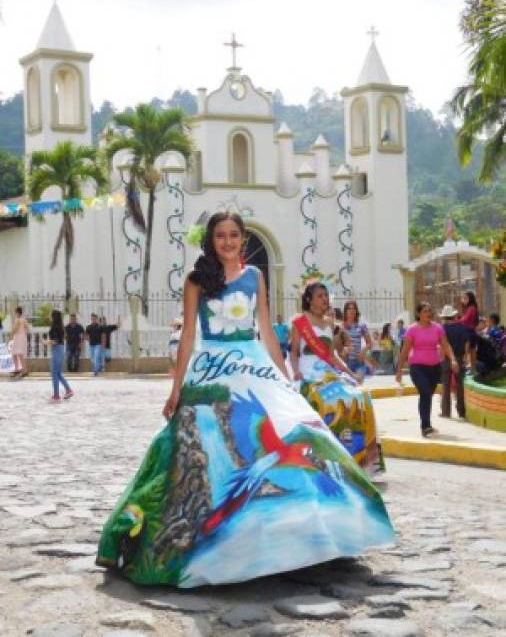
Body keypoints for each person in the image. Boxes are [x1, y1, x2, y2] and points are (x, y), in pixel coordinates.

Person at [96, 211, 394, 587]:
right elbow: (188, 335)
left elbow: (266, 330)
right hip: (211, 365)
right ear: (211, 239)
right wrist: (176, 387)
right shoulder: (196, 280)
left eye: (234, 235)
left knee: (294, 434)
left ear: (243, 239)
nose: (227, 241)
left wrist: (285, 380)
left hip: (253, 365)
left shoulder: (255, 277)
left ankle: (302, 535)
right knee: (203, 445)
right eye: (220, 235)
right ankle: (207, 540)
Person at [290, 282, 384, 474]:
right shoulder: (299, 322)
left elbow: (332, 355)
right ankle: (324, 458)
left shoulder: (329, 323)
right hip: (308, 373)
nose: (325, 299)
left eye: (326, 295)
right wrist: (295, 371)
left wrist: (350, 374)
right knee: (327, 401)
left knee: (360, 396)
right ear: (309, 299)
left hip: (327, 372)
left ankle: (357, 459)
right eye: (320, 296)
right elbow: (293, 353)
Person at [396, 302, 458, 437]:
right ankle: (425, 426)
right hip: (417, 367)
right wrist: (399, 369)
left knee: (427, 395)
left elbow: (446, 345)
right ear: (419, 314)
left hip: (434, 368)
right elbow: (405, 350)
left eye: (430, 311)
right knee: (424, 392)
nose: (428, 313)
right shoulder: (412, 330)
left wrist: (452, 359)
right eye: (425, 311)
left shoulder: (438, 328)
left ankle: (426, 423)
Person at [438, 305, 469, 419]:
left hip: (446, 359)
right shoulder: (461, 327)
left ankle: (446, 412)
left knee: (446, 385)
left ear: (445, 317)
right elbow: (467, 343)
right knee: (460, 385)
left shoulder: (442, 328)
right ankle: (461, 411)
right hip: (460, 358)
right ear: (453, 316)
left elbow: (442, 345)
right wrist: (465, 355)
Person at [45, 310, 73, 403]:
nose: (49, 316)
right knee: (58, 373)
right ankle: (68, 390)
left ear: (53, 317)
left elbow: (55, 341)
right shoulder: (61, 327)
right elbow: (62, 338)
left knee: (54, 374)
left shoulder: (54, 328)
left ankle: (57, 395)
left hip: (56, 351)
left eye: (50, 315)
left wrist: (46, 342)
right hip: (61, 350)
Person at [342, 300, 375, 377]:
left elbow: (370, 343)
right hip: (345, 361)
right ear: (345, 311)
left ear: (356, 311)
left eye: (354, 309)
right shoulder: (341, 326)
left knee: (359, 385)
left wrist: (363, 350)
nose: (352, 311)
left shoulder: (361, 326)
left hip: (358, 361)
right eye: (349, 309)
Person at [10, 307, 29, 378]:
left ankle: (18, 369)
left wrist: (11, 335)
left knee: (15, 353)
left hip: (18, 337)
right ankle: (24, 370)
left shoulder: (17, 320)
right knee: (21, 354)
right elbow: (27, 328)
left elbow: (15, 328)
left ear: (17, 312)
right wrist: (23, 333)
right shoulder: (24, 319)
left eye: (15, 312)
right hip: (23, 337)